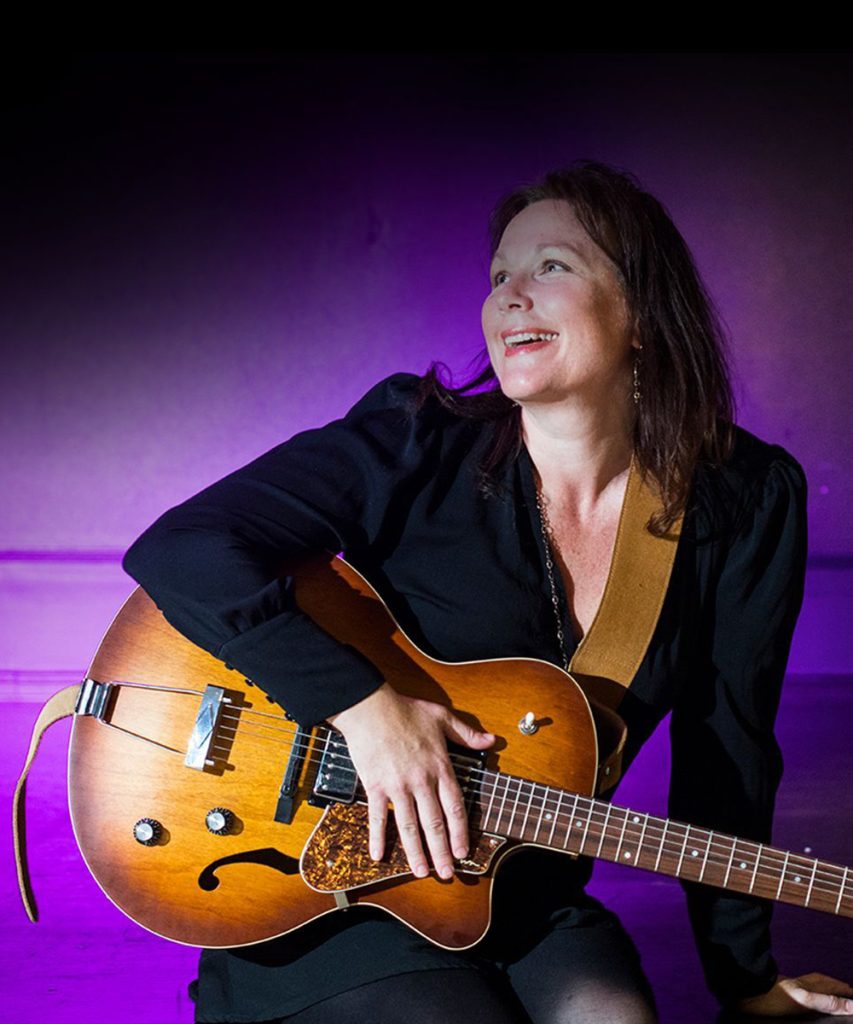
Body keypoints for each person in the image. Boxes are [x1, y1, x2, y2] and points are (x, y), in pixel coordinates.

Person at [122, 161, 853, 1023]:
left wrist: (745, 982)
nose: (509, 295)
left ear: (642, 312)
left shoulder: (743, 498)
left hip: (520, 882)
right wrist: (364, 709)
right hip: (332, 881)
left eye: (551, 266)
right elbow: (183, 548)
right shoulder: (418, 438)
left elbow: (726, 750)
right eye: (500, 274)